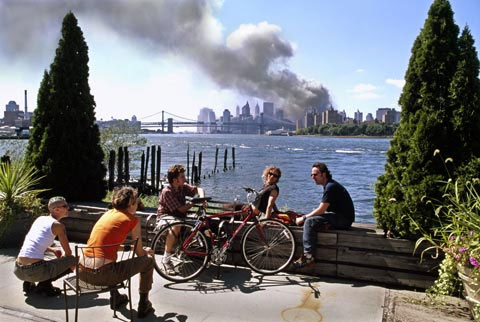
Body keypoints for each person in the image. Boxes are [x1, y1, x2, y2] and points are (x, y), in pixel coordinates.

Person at [81, 186, 155, 319]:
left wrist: (129, 248)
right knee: (148, 261)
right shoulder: (132, 220)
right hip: (102, 275)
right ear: (130, 204)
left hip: (82, 273)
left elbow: (106, 246)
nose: (138, 205)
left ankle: (115, 297)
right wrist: (146, 252)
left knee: (109, 262)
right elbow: (140, 254)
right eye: (136, 202)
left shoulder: (108, 213)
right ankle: (144, 304)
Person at [293, 162, 355, 268]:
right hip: (340, 217)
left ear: (324, 174)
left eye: (315, 174)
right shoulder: (329, 185)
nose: (313, 177)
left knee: (309, 221)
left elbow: (321, 210)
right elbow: (324, 209)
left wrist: (304, 218)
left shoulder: (330, 187)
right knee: (312, 217)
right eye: (311, 175)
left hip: (344, 220)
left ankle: (308, 256)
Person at [14, 196, 76, 297]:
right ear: (56, 209)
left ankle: (28, 282)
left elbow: (32, 241)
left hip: (18, 269)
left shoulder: (40, 219)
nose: (68, 208)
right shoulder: (58, 226)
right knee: (73, 260)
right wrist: (63, 261)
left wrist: (52, 250)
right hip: (35, 271)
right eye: (65, 206)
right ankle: (44, 285)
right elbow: (68, 254)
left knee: (45, 262)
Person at [157, 164, 205, 274]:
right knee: (176, 225)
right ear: (175, 180)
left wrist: (202, 198)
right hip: (165, 216)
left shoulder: (182, 187)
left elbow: (198, 189)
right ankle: (166, 259)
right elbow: (179, 210)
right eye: (182, 177)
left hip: (178, 216)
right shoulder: (167, 191)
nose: (185, 179)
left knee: (200, 222)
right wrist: (193, 203)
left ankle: (187, 251)